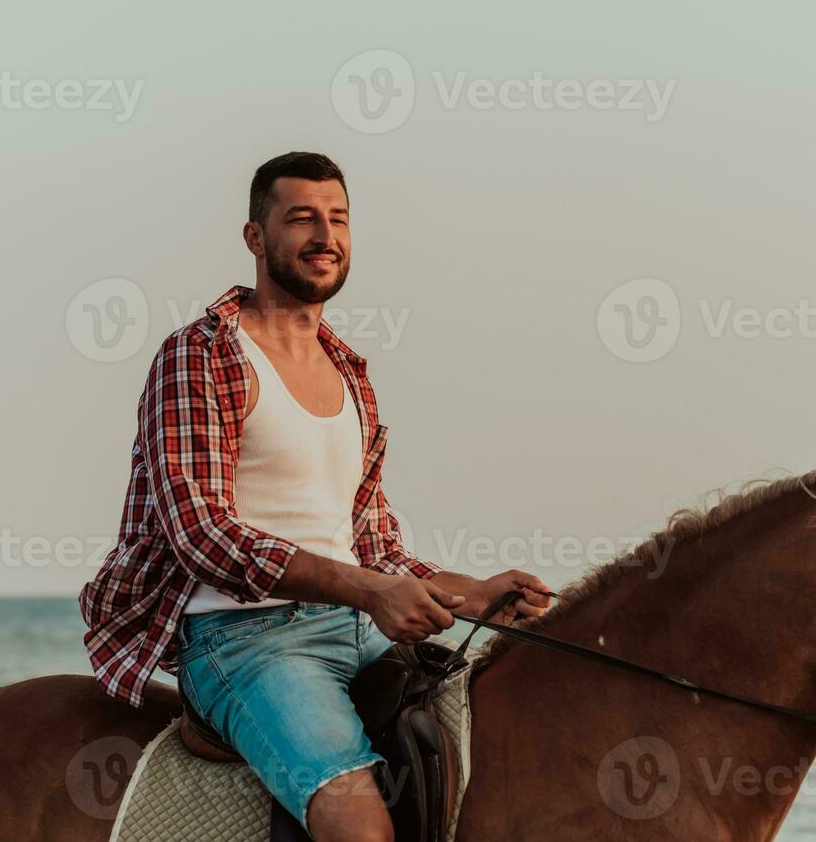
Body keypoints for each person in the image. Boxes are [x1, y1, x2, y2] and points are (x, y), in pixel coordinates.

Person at [79, 151, 552, 842]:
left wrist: (472, 592)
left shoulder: (351, 375)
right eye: (301, 218)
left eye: (339, 219)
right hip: (242, 640)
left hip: (354, 627)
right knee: (360, 830)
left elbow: (376, 551)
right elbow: (200, 531)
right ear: (254, 238)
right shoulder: (202, 354)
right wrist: (366, 591)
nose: (325, 236)